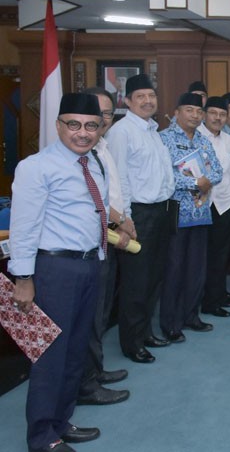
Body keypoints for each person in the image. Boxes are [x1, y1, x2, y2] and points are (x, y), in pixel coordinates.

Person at [9, 93, 125, 452]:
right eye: (73, 125)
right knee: (51, 356)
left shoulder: (92, 163)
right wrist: (23, 279)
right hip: (54, 269)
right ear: (58, 126)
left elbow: (96, 211)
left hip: (90, 264)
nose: (83, 133)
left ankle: (61, 421)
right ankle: (42, 437)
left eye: (91, 126)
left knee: (76, 352)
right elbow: (24, 228)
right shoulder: (36, 167)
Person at [105, 73, 175, 363]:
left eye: (151, 96)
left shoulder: (153, 130)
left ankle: (145, 332)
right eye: (141, 97)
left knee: (154, 278)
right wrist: (125, 218)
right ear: (128, 101)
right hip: (138, 214)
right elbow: (117, 178)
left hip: (161, 211)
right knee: (136, 281)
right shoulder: (122, 132)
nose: (148, 101)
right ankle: (131, 343)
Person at [75, 87, 130, 406]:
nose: (103, 118)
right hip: (90, 243)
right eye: (98, 113)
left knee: (100, 311)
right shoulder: (83, 153)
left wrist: (121, 220)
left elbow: (112, 191)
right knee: (89, 315)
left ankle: (95, 371)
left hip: (105, 239)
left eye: (108, 113)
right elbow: (94, 198)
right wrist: (119, 221)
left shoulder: (103, 147)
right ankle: (86, 383)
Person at [159, 93, 223, 342]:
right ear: (177, 112)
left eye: (199, 111)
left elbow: (217, 170)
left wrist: (207, 180)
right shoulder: (164, 139)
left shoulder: (204, 141)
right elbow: (163, 176)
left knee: (196, 269)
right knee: (174, 270)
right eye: (189, 110)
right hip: (175, 214)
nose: (195, 115)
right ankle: (170, 323)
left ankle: (190, 316)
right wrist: (195, 181)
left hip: (200, 213)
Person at [198, 96, 230, 318]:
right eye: (213, 113)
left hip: (224, 204)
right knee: (202, 255)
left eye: (222, 114)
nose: (218, 118)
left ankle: (217, 295)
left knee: (221, 254)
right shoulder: (196, 137)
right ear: (205, 114)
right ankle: (205, 299)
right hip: (201, 205)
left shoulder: (229, 141)